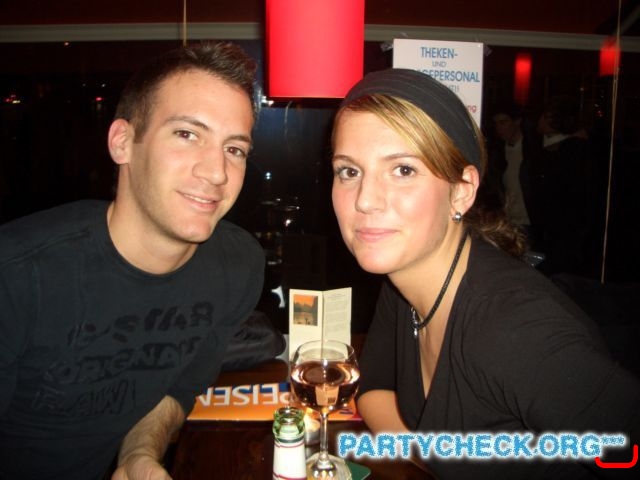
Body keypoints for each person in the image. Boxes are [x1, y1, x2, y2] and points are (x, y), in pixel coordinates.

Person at [330, 68, 639, 479]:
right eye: (349, 171)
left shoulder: (513, 329)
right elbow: (374, 389)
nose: (365, 200)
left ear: (461, 190)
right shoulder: (404, 282)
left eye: (403, 169)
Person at [0, 42, 265, 480]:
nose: (217, 172)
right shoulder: (17, 274)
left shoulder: (237, 266)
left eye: (234, 149)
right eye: (187, 134)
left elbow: (179, 388)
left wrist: (138, 453)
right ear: (123, 142)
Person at [535, 95, 598, 276]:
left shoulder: (572, 149)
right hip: (556, 225)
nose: (542, 121)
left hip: (564, 226)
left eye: (548, 117)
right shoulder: (543, 145)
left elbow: (571, 191)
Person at [486, 102, 542, 251]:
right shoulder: (497, 152)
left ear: (517, 122)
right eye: (496, 124)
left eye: (503, 122)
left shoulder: (533, 149)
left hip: (530, 221)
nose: (499, 128)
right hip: (508, 220)